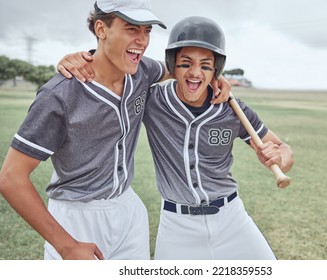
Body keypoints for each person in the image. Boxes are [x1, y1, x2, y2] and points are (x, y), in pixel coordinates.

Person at [60, 16, 294, 259]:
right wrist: (78, 58)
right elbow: (113, 66)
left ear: (216, 70)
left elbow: (282, 150)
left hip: (231, 217)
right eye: (185, 64)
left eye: (206, 65)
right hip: (177, 224)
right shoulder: (152, 100)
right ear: (172, 65)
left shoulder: (232, 108)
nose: (195, 73)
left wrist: (279, 157)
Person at [0, 0, 170, 260]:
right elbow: (11, 178)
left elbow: (181, 67)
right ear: (101, 29)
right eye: (131, 29)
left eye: (146, 30)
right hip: (76, 220)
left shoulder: (142, 70)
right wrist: (66, 245)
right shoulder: (59, 95)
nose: (142, 40)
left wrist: (217, 76)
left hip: (128, 210)